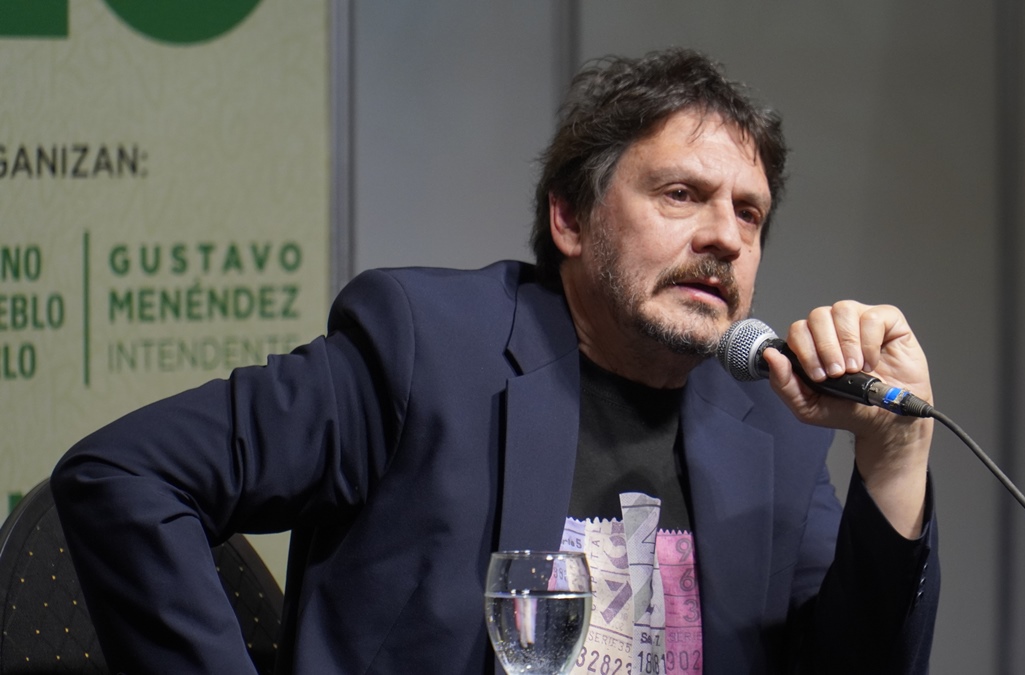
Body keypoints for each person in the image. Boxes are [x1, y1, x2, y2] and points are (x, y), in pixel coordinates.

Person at [52, 48, 939, 674]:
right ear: (570, 219)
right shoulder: (424, 349)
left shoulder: (775, 427)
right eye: (682, 194)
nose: (725, 237)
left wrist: (893, 456)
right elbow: (125, 475)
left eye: (750, 213)